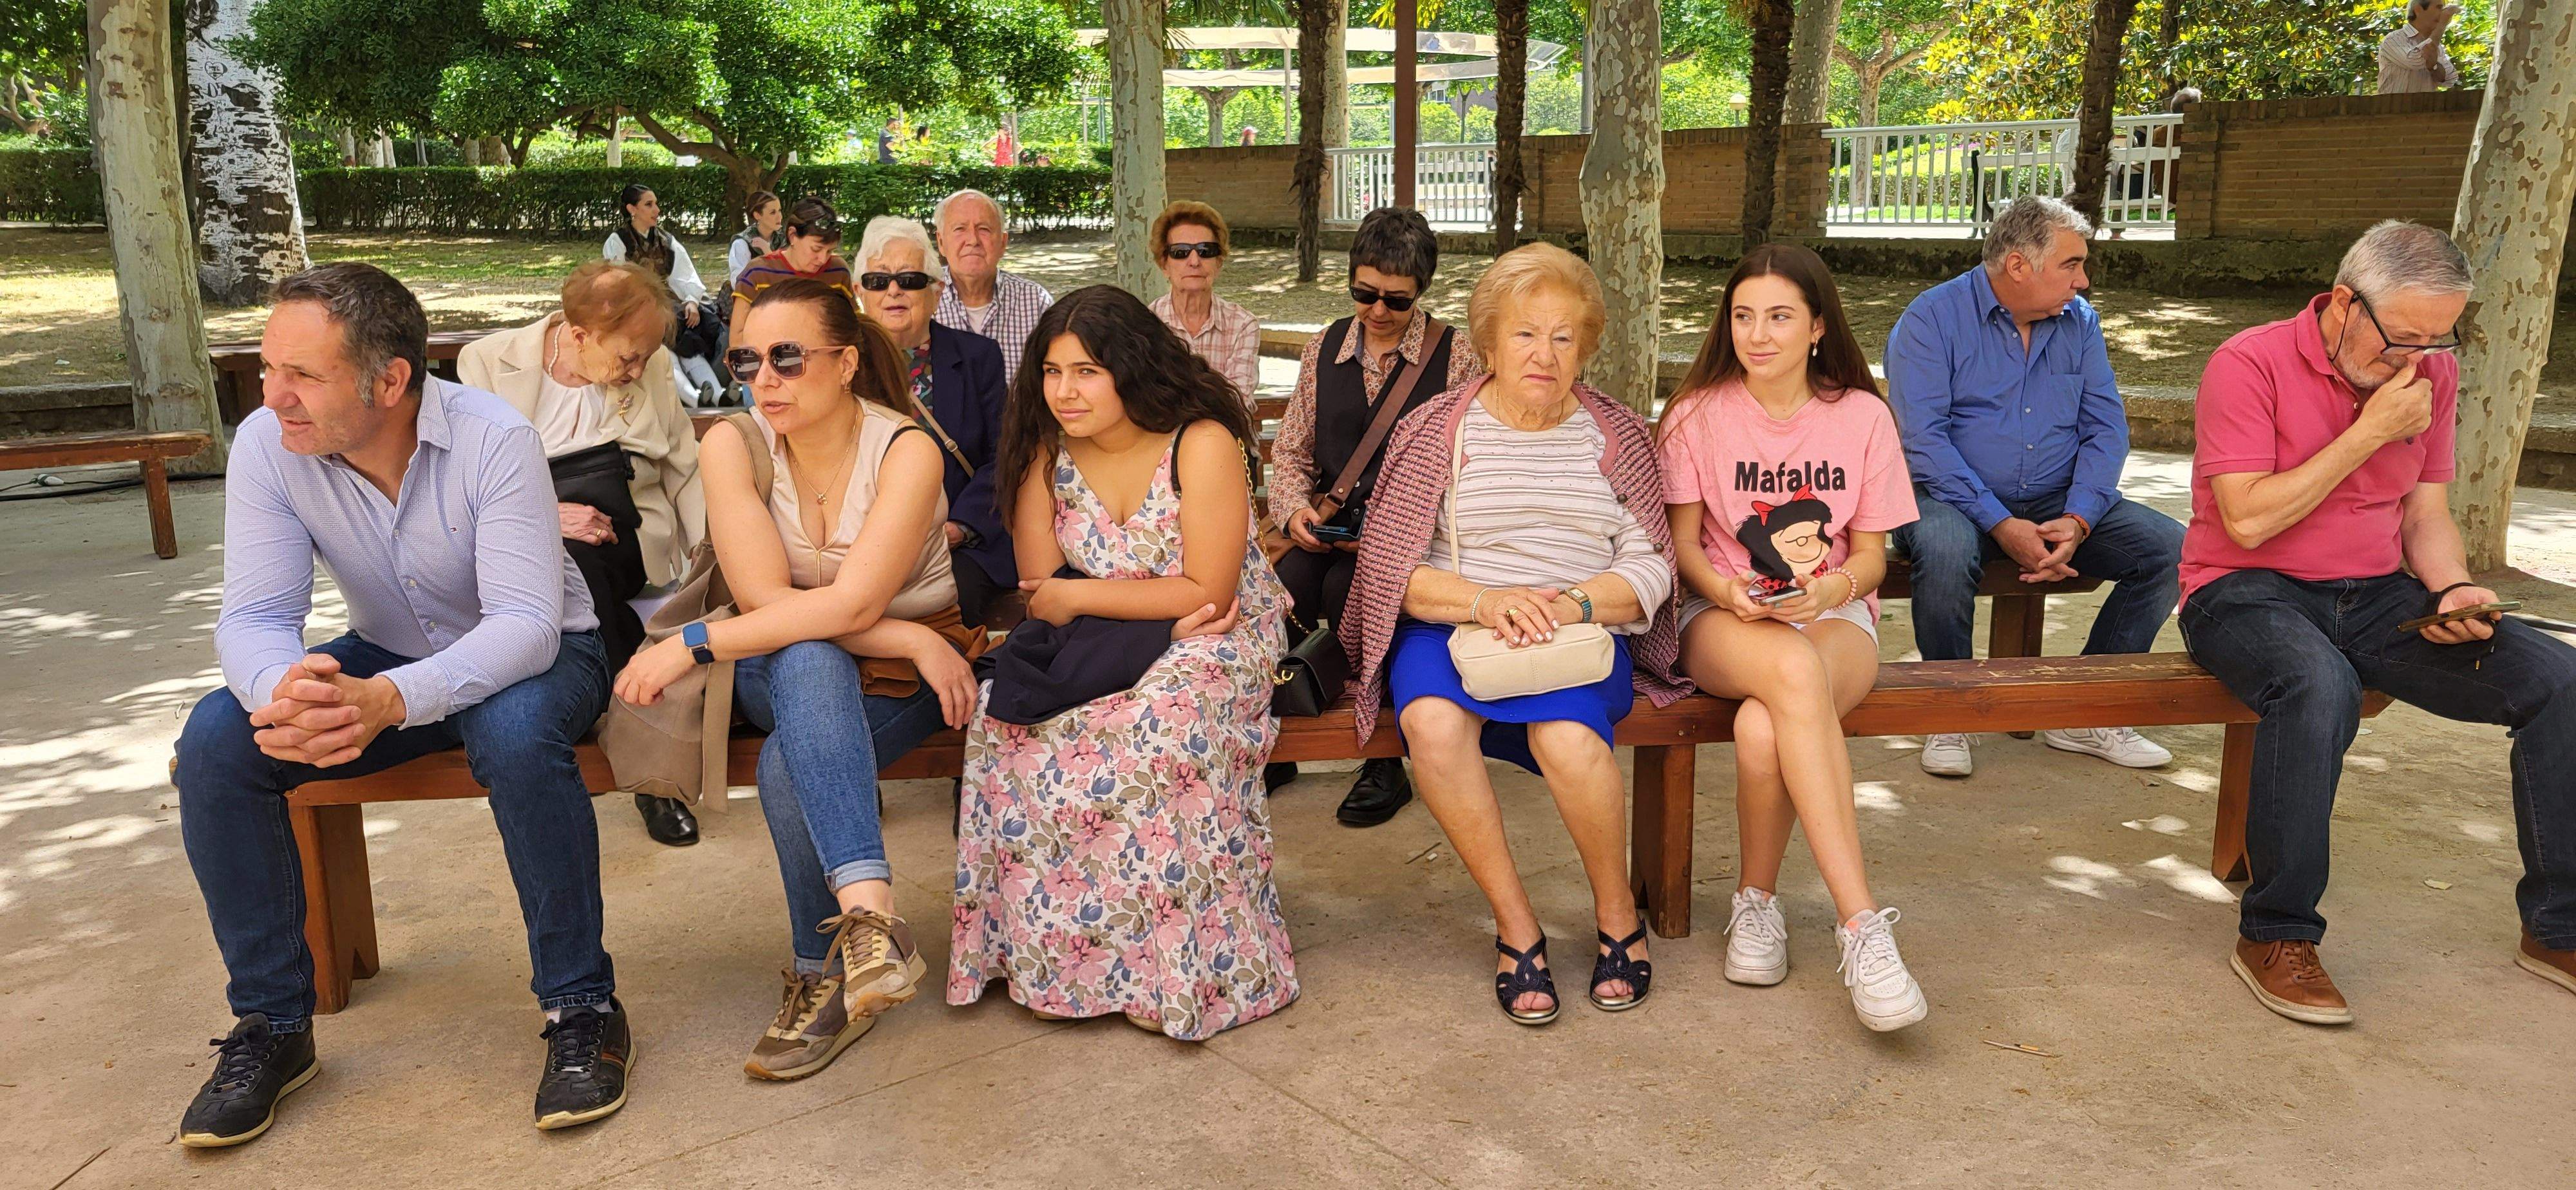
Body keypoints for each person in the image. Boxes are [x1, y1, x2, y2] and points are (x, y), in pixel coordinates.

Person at [171, 263, 628, 1146]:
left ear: (391, 382)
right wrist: (289, 695)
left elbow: (527, 625)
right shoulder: (270, 443)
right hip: (385, 653)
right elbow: (259, 615)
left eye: (302, 375)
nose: (274, 396)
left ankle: (583, 1008)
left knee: (514, 729)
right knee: (219, 741)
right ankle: (271, 1027)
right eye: (269, 370)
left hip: (540, 654)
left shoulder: (494, 437)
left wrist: (388, 700)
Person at [2178, 221, 2576, 1022]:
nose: (2417, 358)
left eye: (2438, 339)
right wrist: (2367, 435)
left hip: (2378, 594)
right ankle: (2277, 932)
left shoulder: (2430, 372)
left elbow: (2424, 512)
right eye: (2401, 337)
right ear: (2340, 304)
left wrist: (2455, 588)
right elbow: (2248, 521)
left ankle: (2557, 928)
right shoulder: (2247, 363)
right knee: (2316, 685)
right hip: (2242, 590)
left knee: (2558, 680)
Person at [612, 278, 980, 1078]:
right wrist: (913, 637)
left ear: (845, 362)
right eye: (747, 360)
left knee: (788, 764)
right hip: (776, 659)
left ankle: (827, 978)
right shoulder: (731, 443)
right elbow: (773, 604)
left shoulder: (905, 450)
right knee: (808, 654)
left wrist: (691, 643)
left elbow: (850, 602)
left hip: (889, 673)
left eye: (787, 358)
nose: (764, 379)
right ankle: (873, 923)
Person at [1342, 243, 1685, 1026]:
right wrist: (1486, 601)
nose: (1544, 354)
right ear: (1488, 344)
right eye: (1525, 334)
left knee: (1568, 740)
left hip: (1578, 630)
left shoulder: (1616, 435)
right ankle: (1516, 925)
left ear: (1585, 350)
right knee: (1429, 722)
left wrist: (1566, 604)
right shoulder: (1438, 430)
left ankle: (1616, 917)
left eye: (1564, 337)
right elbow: (1394, 567)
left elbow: (1650, 562)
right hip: (1459, 625)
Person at [947, 285, 1298, 1040]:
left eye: (1086, 372)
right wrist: (1115, 601)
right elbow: (1044, 593)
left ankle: (1177, 973)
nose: (1064, 391)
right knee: (1010, 730)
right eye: (1051, 371)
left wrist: (1092, 600)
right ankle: (1066, 968)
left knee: (1158, 730)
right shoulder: (1044, 452)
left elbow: (1208, 590)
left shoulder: (1198, 442)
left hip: (1217, 637)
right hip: (1106, 636)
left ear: (1130, 370)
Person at [1657, 244, 1929, 1032]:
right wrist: (1728, 591)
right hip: (1720, 619)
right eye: (1743, 316)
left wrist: (1828, 589)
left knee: (1761, 721)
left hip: (1834, 615)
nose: (1758, 334)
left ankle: (1756, 904)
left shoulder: (1862, 418)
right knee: (1786, 673)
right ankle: (1860, 924)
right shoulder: (1696, 416)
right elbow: (1682, 550)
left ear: (1817, 326)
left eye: (1778, 317)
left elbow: (1873, 558)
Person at [1883, 195, 2185, 779]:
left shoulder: (2080, 323)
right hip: (1948, 497)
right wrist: (2000, 522)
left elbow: (2105, 427)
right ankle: (1948, 713)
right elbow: (1925, 442)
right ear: (2019, 265)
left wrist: (2080, 518)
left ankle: (2086, 710)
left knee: (2173, 550)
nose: (2084, 280)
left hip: (2054, 500)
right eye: (2071, 265)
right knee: (1944, 552)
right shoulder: (1930, 320)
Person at [459, 261, 710, 848]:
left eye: (646, 355)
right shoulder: (487, 363)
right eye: (626, 357)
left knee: (583, 562)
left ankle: (621, 746)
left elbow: (682, 463)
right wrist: (546, 517)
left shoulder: (654, 366)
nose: (638, 369)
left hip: (624, 525)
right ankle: (642, 751)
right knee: (566, 558)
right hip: (522, 528)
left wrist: (709, 557)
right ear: (577, 335)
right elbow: (467, 479)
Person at [1269, 206, 1482, 822]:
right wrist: (1293, 514)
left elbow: (1459, 466)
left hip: (1405, 538)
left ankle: (1383, 758)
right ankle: (1280, 739)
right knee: (1277, 593)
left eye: (1396, 299)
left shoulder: (1456, 357)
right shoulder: (1326, 346)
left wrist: (1393, 535)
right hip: (1325, 529)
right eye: (1364, 294)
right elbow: (1291, 451)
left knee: (1352, 594)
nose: (1378, 311)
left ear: (1422, 292)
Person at [852, 214, 1018, 628]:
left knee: (945, 607)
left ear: (936, 289)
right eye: (877, 281)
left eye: (909, 279)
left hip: (952, 545)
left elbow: (1003, 456)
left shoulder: (979, 356)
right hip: (856, 540)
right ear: (859, 292)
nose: (893, 291)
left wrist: (959, 528)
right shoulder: (839, 363)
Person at [603, 184, 726, 403]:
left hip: (668, 308)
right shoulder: (618, 242)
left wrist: (691, 301)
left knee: (688, 346)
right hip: (637, 312)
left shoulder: (666, 241)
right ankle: (696, 399)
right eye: (649, 205)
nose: (657, 210)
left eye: (656, 204)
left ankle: (717, 397)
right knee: (664, 353)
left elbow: (684, 274)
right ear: (632, 209)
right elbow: (618, 284)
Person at [933, 188, 1054, 387]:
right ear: (941, 242)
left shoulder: (1035, 301)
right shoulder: (922, 300)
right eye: (960, 229)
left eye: (984, 229)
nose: (972, 240)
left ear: (1003, 243)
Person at [1146, 200, 1260, 406]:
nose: (1194, 261)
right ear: (1164, 264)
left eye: (1206, 251)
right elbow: (1147, 400)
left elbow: (1238, 402)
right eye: (1180, 252)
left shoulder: (1242, 325)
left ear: (1219, 263)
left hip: (1224, 435)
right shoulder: (1146, 324)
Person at [731, 196, 854, 326]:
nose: (823, 259)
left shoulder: (838, 271)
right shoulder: (757, 274)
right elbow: (738, 337)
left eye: (830, 251)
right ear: (793, 236)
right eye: (816, 249)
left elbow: (854, 325)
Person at [2378, 1, 2459, 95]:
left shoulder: (2436, 45)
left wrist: (2434, 67)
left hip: (2424, 108)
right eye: (2439, 7)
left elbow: (2450, 79)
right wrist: (2441, 26)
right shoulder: (2393, 39)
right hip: (2393, 108)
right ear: (2418, 10)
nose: (2444, 13)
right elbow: (2415, 60)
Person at [728, 190, 787, 291]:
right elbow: (740, 283)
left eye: (779, 211)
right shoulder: (742, 243)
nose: (780, 217)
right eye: (773, 212)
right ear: (757, 215)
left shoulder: (783, 239)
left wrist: (768, 252)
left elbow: (788, 276)